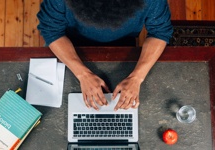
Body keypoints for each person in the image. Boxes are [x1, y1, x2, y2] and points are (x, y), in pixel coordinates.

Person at [37, 0, 173, 111]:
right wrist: (82, 74)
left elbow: (159, 32)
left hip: (125, 45)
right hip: (70, 41)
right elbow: (52, 31)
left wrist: (137, 77)